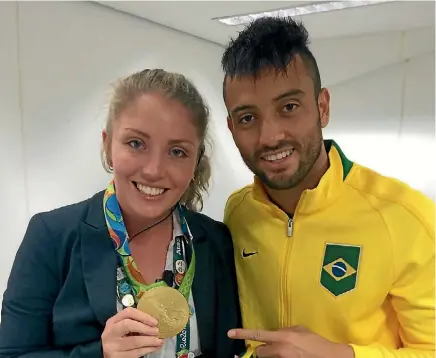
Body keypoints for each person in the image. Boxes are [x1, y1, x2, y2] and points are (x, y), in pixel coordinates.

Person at [221, 16, 435, 358]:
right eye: (248, 117)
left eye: (288, 107)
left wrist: (343, 355)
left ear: (322, 108)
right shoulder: (238, 212)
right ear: (231, 127)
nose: (270, 136)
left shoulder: (406, 216)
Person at [0, 69, 245, 358]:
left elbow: (232, 348)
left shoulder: (214, 241)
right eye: (136, 143)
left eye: (177, 151)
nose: (154, 170)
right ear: (108, 145)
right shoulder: (52, 237)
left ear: (196, 161)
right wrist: (99, 354)